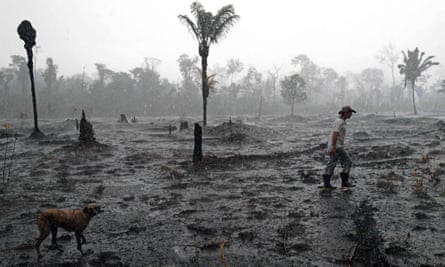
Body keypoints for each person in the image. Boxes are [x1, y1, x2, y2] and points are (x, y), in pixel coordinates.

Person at [322, 105, 356, 189]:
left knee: (332, 163)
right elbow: (335, 134)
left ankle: (327, 184)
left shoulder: (341, 121)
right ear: (346, 113)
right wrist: (333, 146)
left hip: (335, 145)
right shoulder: (339, 122)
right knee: (348, 161)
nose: (351, 114)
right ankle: (344, 182)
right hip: (336, 146)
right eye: (350, 113)